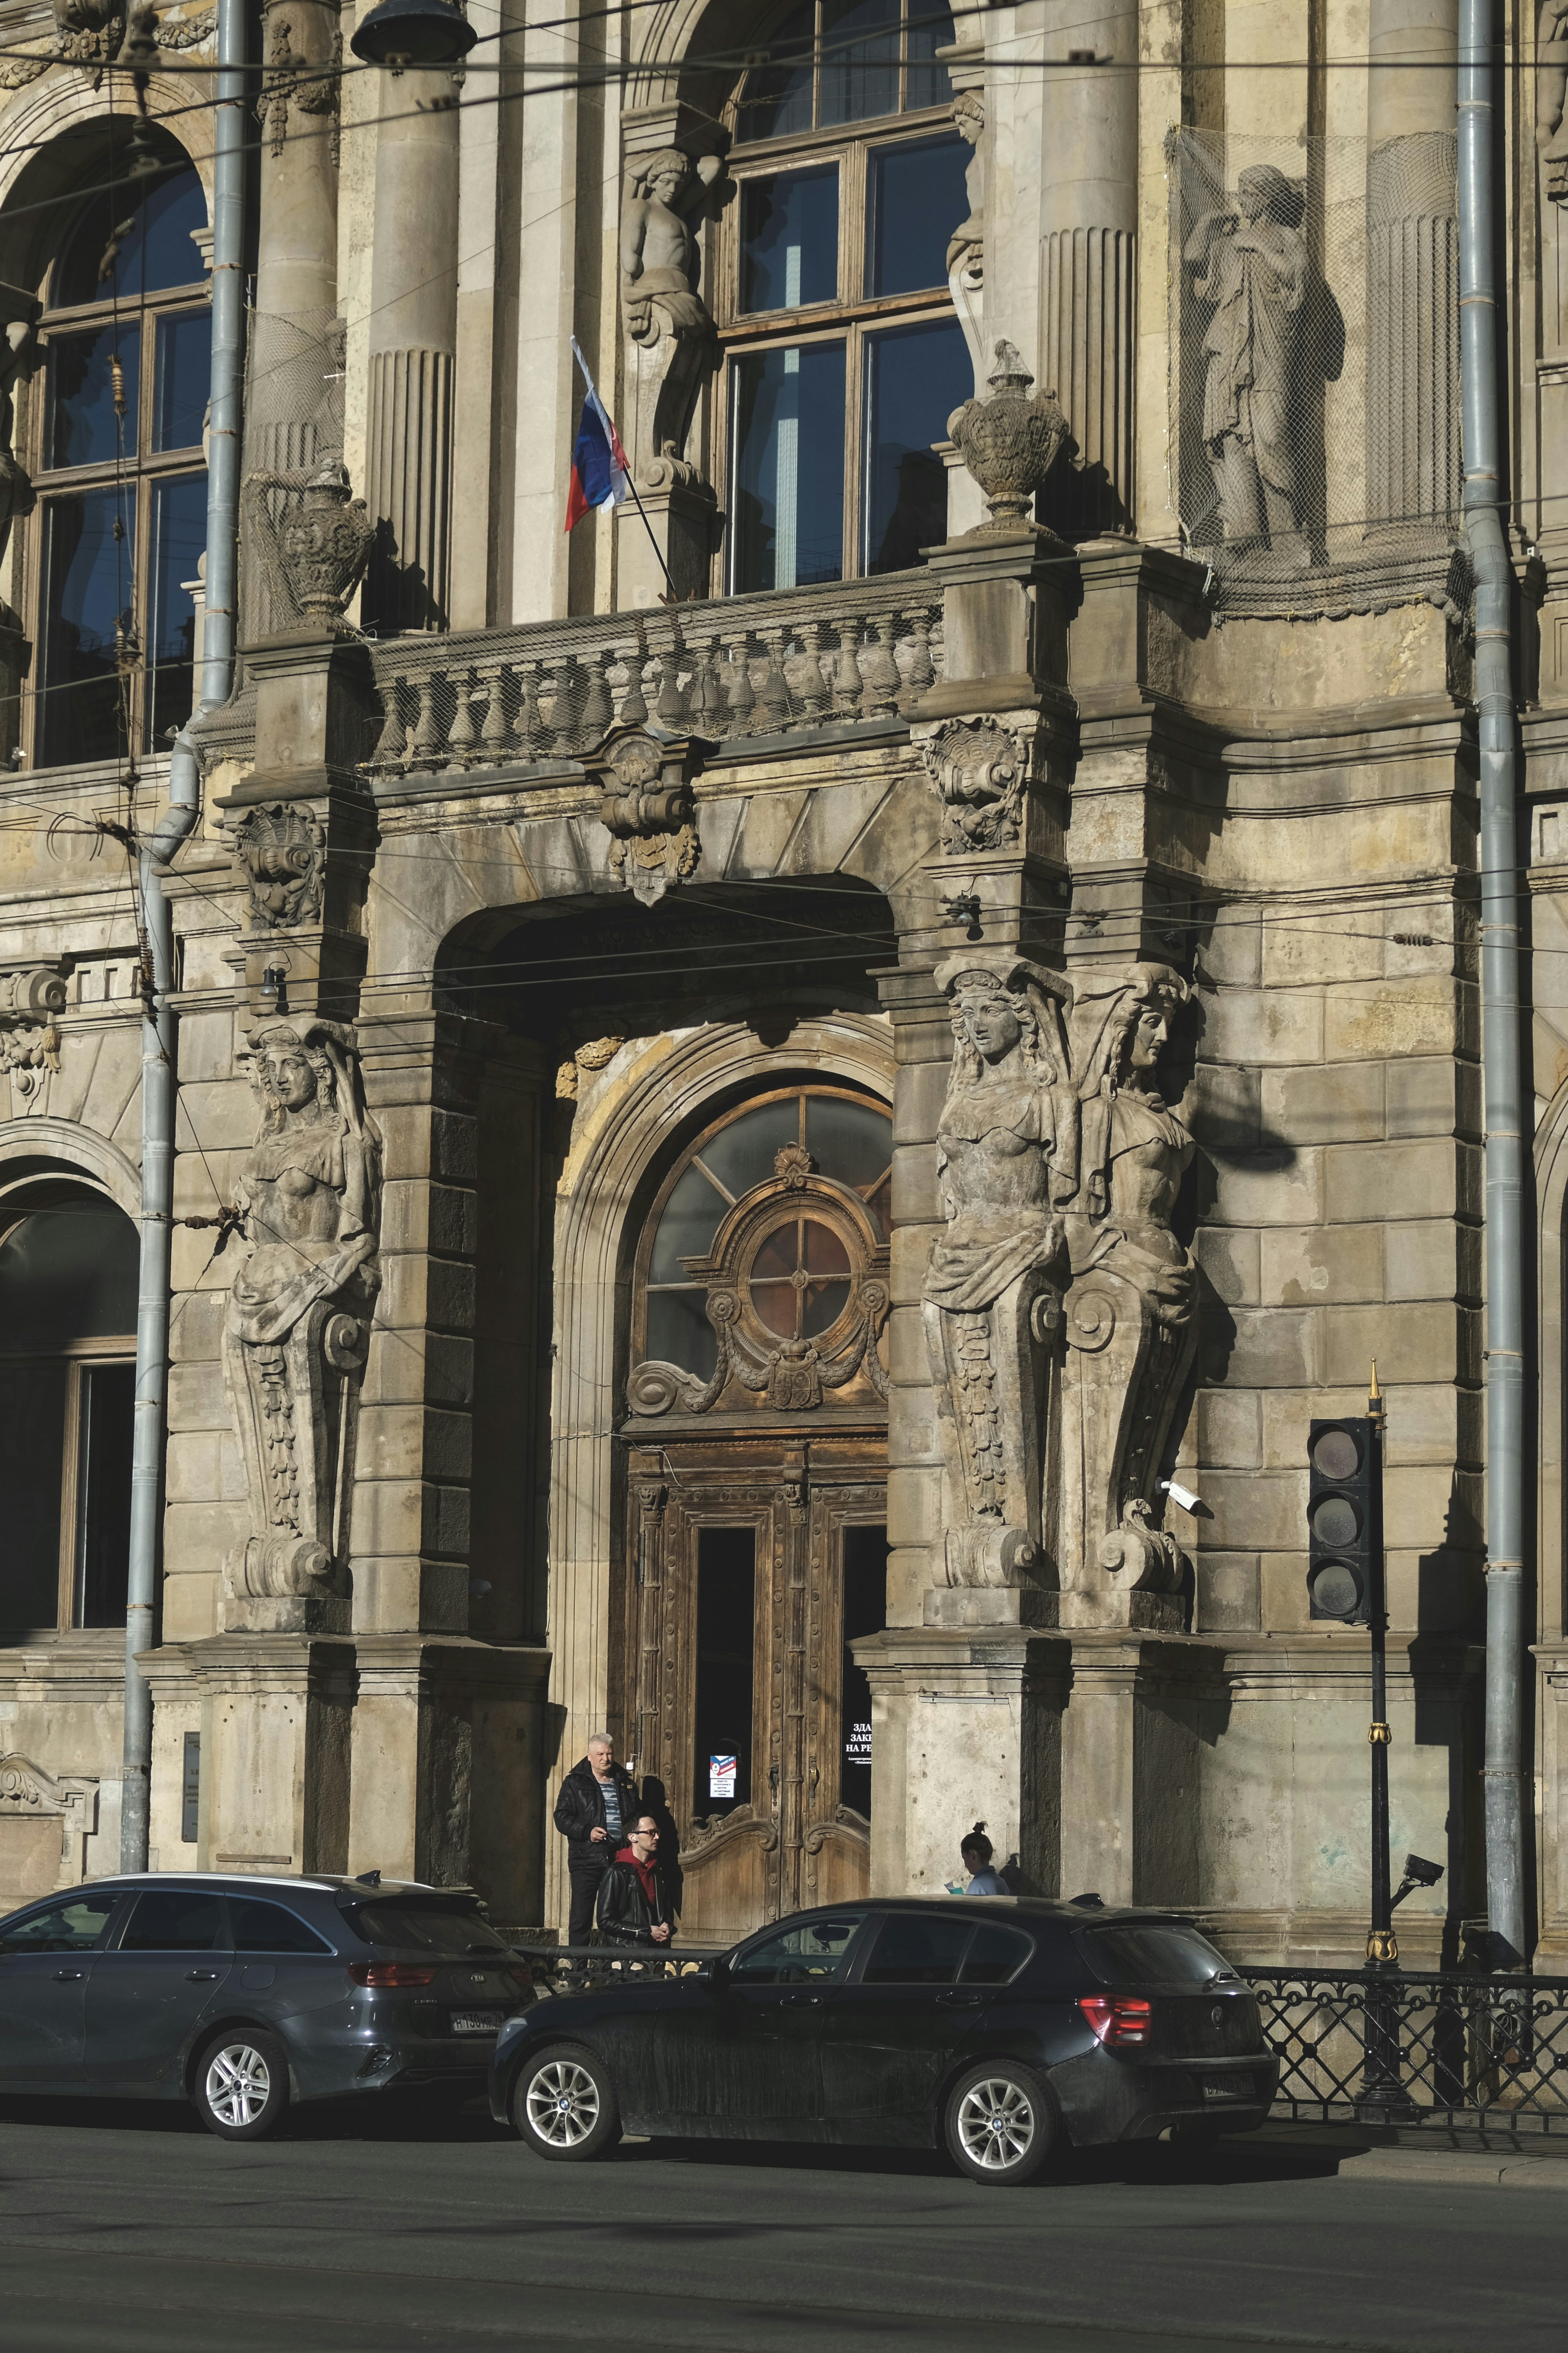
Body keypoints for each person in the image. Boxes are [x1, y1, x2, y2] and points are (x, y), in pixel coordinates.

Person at [553, 1733, 641, 1945]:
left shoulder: (626, 1784)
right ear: (589, 1756)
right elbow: (562, 1818)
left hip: (620, 1859)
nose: (606, 1759)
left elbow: (636, 1817)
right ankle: (577, 1974)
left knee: (618, 1918)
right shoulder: (574, 1782)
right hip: (587, 1861)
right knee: (581, 1920)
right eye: (600, 1754)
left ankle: (615, 1969)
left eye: (609, 1753)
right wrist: (587, 1832)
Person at [595, 1814, 674, 1948]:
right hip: (626, 1954)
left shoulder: (657, 1871)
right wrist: (645, 1932)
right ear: (633, 1838)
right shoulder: (617, 1872)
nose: (657, 1837)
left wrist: (668, 1924)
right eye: (651, 1833)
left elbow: (664, 1911)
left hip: (657, 1953)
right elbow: (605, 1921)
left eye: (657, 1832)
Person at [961, 1823, 1010, 1896]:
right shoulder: (1001, 1882)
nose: (966, 1865)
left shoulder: (977, 1886)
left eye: (965, 1859)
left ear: (972, 1855)